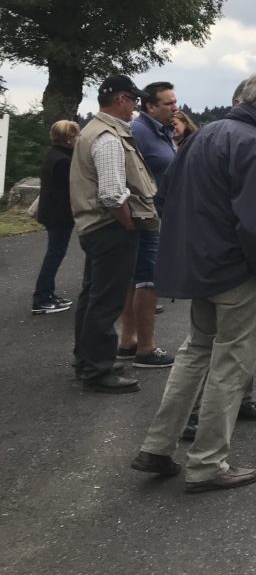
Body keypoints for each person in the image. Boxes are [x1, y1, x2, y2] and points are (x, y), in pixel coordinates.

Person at [130, 71, 256, 493]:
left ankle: (158, 446)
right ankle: (207, 463)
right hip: (238, 271)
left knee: (195, 352)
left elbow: (164, 195)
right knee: (231, 364)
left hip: (200, 266)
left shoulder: (206, 134)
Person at [69, 75, 156, 393]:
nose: (135, 106)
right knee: (107, 300)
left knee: (92, 297)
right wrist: (130, 224)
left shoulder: (92, 130)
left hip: (95, 227)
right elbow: (112, 194)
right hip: (111, 228)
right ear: (119, 99)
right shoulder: (108, 137)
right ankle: (97, 370)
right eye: (133, 99)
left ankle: (88, 359)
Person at [120, 81, 179, 369]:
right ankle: (146, 348)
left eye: (175, 101)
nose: (175, 107)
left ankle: (128, 340)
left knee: (135, 279)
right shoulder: (140, 132)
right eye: (168, 103)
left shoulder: (164, 130)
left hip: (157, 213)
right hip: (146, 214)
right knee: (147, 279)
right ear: (151, 106)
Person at [31, 120, 80, 314]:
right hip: (59, 215)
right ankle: (41, 297)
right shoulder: (63, 161)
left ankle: (47, 293)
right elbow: (70, 188)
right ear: (69, 138)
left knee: (55, 252)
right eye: (76, 135)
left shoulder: (53, 155)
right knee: (54, 254)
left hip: (52, 213)